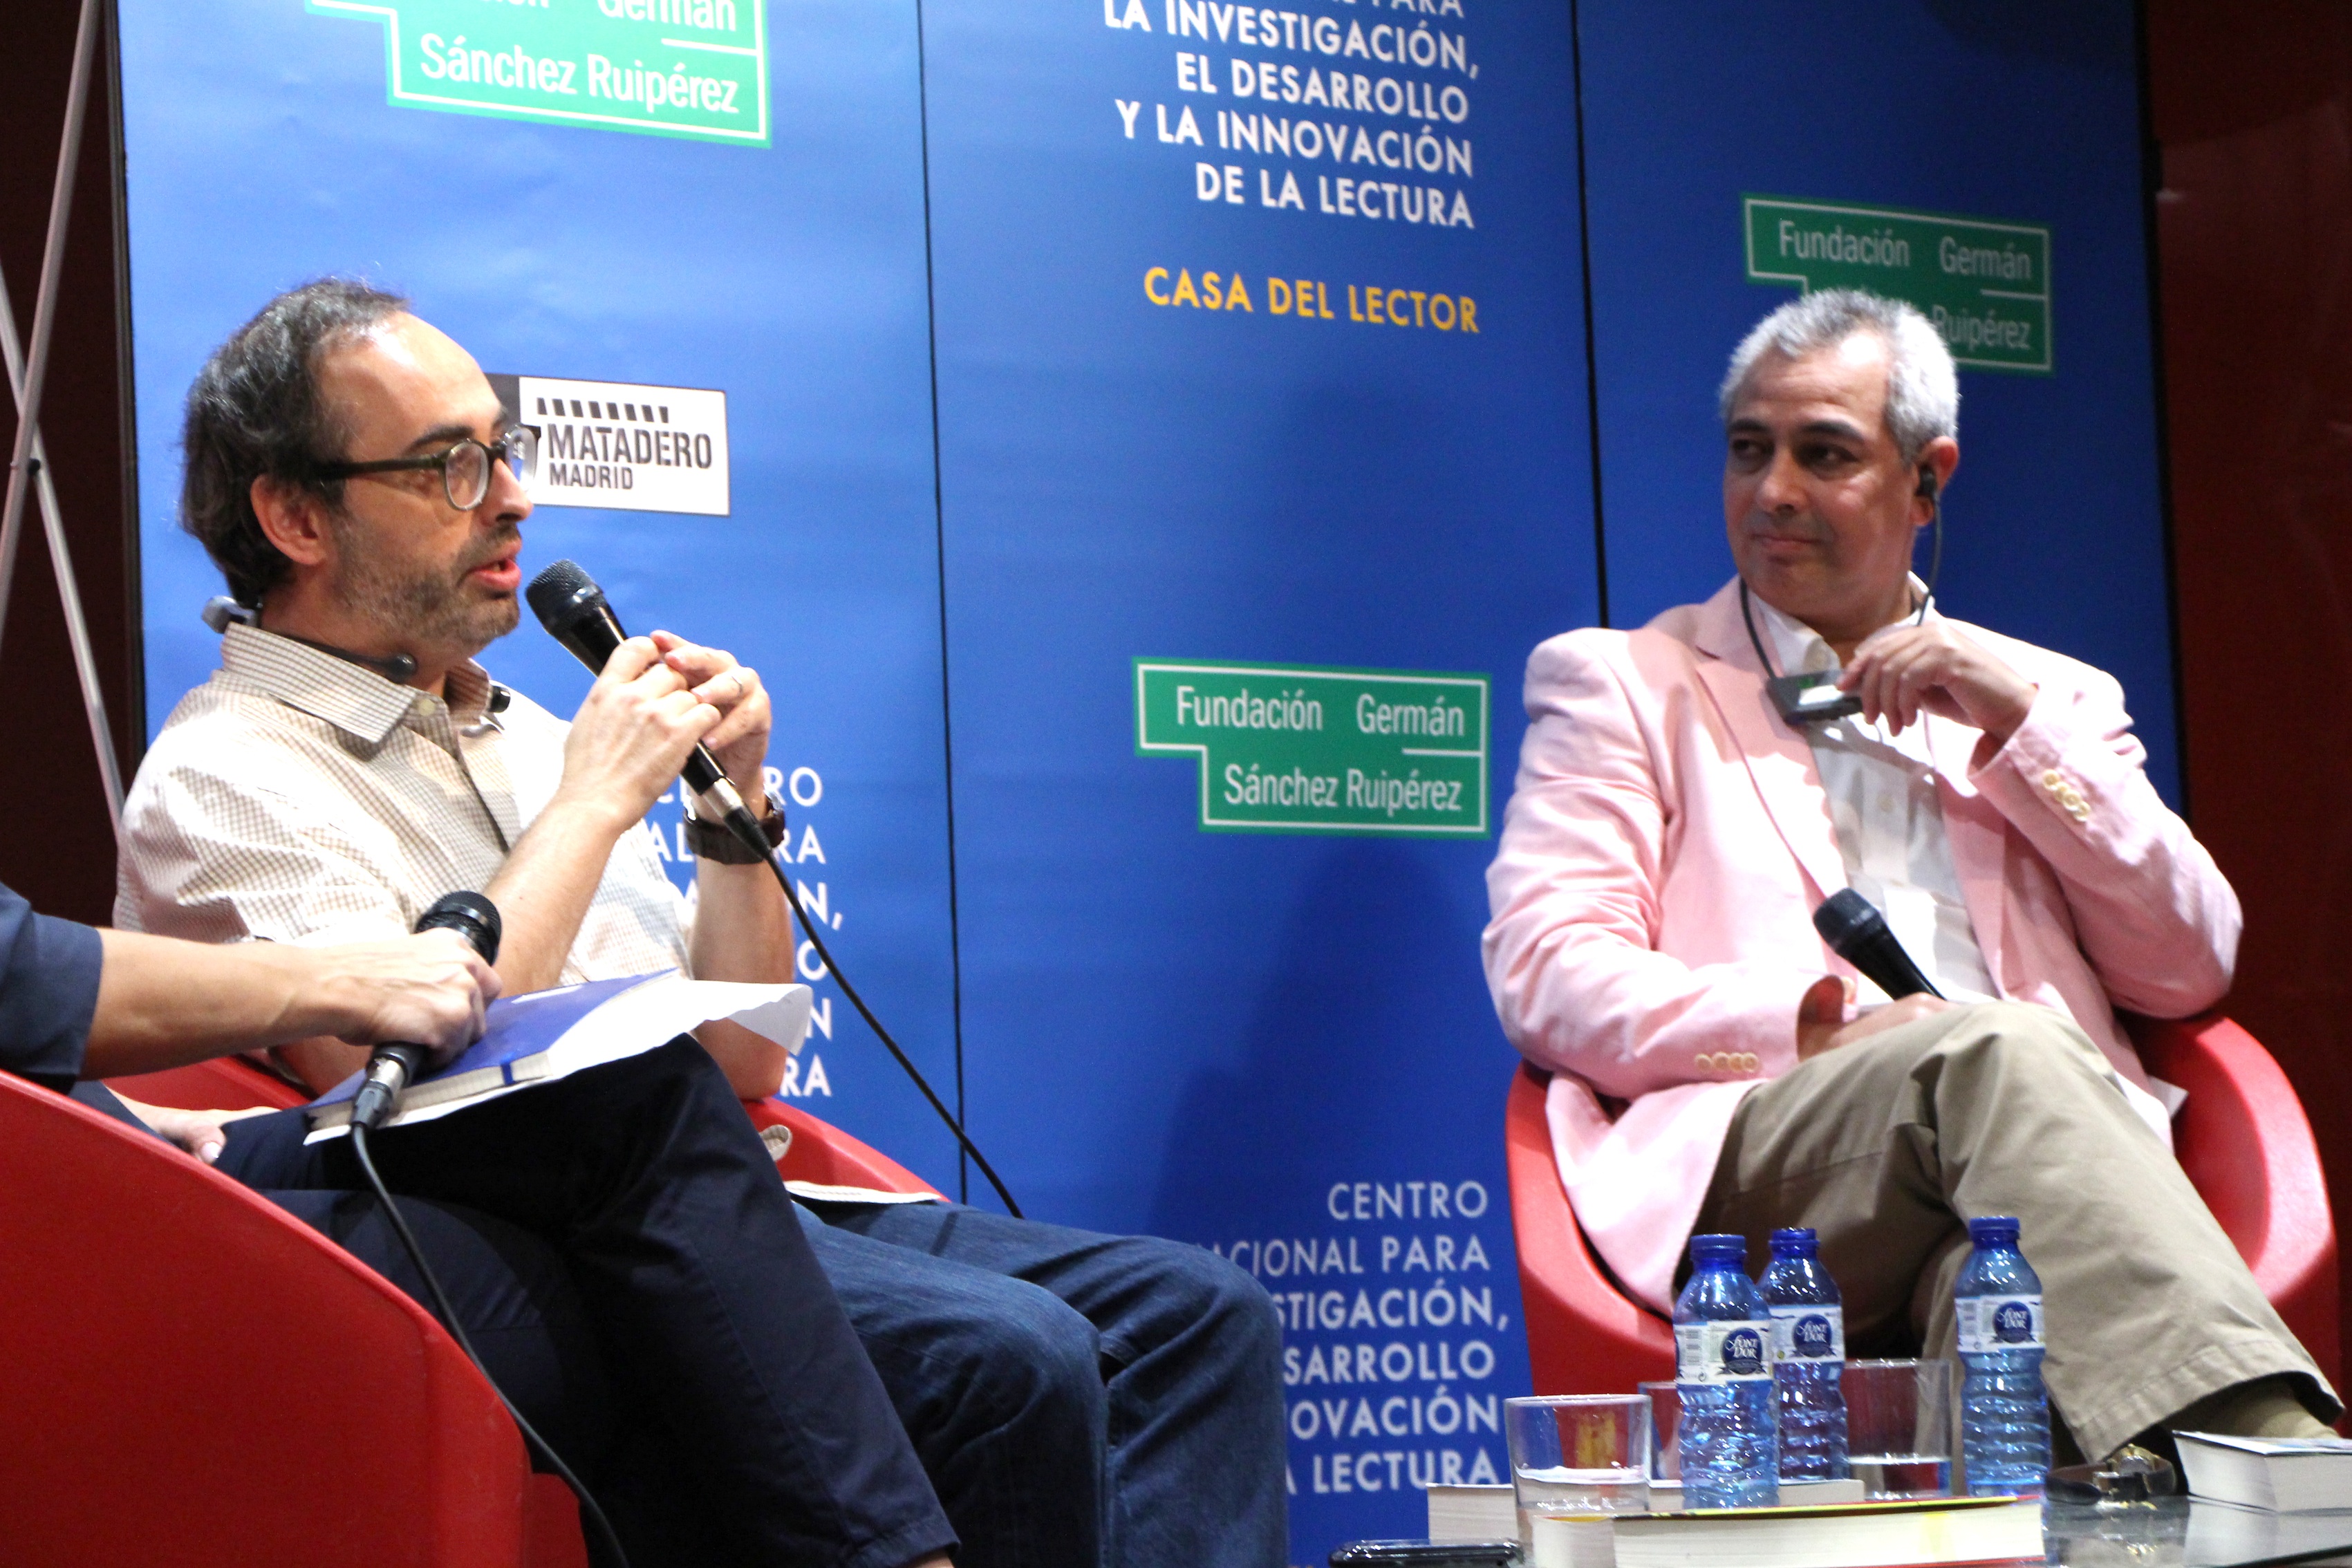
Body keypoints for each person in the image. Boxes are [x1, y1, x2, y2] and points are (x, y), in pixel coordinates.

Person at [118, 279, 1286, 1568]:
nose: (511, 499)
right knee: (1011, 1355)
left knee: (1196, 1316)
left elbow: (738, 1066)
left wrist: (731, 817)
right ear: (296, 518)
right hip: (564, 1251)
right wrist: (595, 802)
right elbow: (406, 1076)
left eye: (505, 450)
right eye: (450, 467)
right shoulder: (228, 771)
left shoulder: (529, 735)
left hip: (733, 1197)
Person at [1482, 288, 2337, 1466]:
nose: (1772, 491)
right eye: (1749, 450)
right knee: (1991, 1049)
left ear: (1926, 481)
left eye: (1823, 454)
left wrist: (2021, 730)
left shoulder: (2051, 696)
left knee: (1986, 1290)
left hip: (2033, 1173)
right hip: (1776, 1160)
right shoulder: (1625, 683)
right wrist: (1808, 1027)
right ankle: (2292, 1472)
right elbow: (1549, 970)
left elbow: (2188, 967)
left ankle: (2154, 1513)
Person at [2, 878, 958, 1568]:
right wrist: (342, 980)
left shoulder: (524, 728)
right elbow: (21, 975)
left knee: (621, 1093)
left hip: (94, 1138)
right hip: (44, 1223)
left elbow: (744, 1058)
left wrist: (118, 1113)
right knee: (638, 1300)